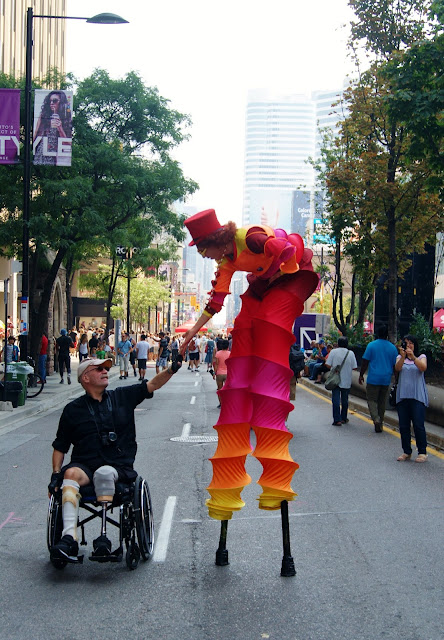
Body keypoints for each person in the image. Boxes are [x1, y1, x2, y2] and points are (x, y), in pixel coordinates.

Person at [180, 208, 318, 520]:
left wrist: (284, 272)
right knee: (242, 326)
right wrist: (191, 332)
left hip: (293, 277)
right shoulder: (227, 262)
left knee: (269, 323)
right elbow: (216, 302)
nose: (202, 255)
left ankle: (276, 479)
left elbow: (286, 252)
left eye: (202, 248)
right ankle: (228, 479)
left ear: (216, 240)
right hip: (265, 284)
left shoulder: (250, 239)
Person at [48, 354, 183, 562]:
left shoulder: (122, 396)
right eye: (99, 369)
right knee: (70, 473)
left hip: (117, 465)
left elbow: (152, 384)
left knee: (104, 473)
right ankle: (69, 538)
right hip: (84, 465)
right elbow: (60, 446)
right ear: (85, 377)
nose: (105, 371)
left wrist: (172, 369)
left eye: (105, 368)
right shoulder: (72, 410)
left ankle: (103, 537)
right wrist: (56, 474)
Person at [394, 334, 428, 463]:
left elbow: (423, 368)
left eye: (411, 343)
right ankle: (406, 451)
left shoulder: (421, 357)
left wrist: (413, 357)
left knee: (418, 425)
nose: (409, 346)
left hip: (417, 396)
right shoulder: (399, 358)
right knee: (404, 426)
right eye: (406, 343)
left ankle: (422, 452)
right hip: (403, 396)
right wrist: (403, 357)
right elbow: (397, 368)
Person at [359, 325, 398, 433]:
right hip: (386, 379)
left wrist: (361, 374)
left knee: (371, 399)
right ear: (387, 335)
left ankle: (376, 418)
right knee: (382, 402)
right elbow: (396, 366)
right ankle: (380, 423)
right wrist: (396, 379)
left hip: (373, 378)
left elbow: (365, 362)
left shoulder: (371, 346)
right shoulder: (393, 348)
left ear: (377, 334)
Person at [33, 90, 72, 166]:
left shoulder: (66, 118)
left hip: (57, 155)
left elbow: (68, 144)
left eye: (54, 101)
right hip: (42, 151)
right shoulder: (44, 115)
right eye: (50, 101)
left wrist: (60, 128)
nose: (51, 103)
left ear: (61, 103)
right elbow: (36, 134)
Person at [325, 337, 358, 426]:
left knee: (335, 400)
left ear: (338, 344)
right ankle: (344, 418)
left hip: (335, 379)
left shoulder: (333, 352)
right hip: (346, 379)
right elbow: (354, 367)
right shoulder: (350, 353)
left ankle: (337, 419)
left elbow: (327, 365)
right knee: (345, 400)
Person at [213, 339, 231, 408]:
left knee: (220, 389)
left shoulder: (218, 353)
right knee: (227, 390)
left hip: (219, 373)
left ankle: (221, 404)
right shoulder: (230, 353)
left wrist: (214, 373)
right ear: (228, 346)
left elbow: (216, 364)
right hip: (227, 374)